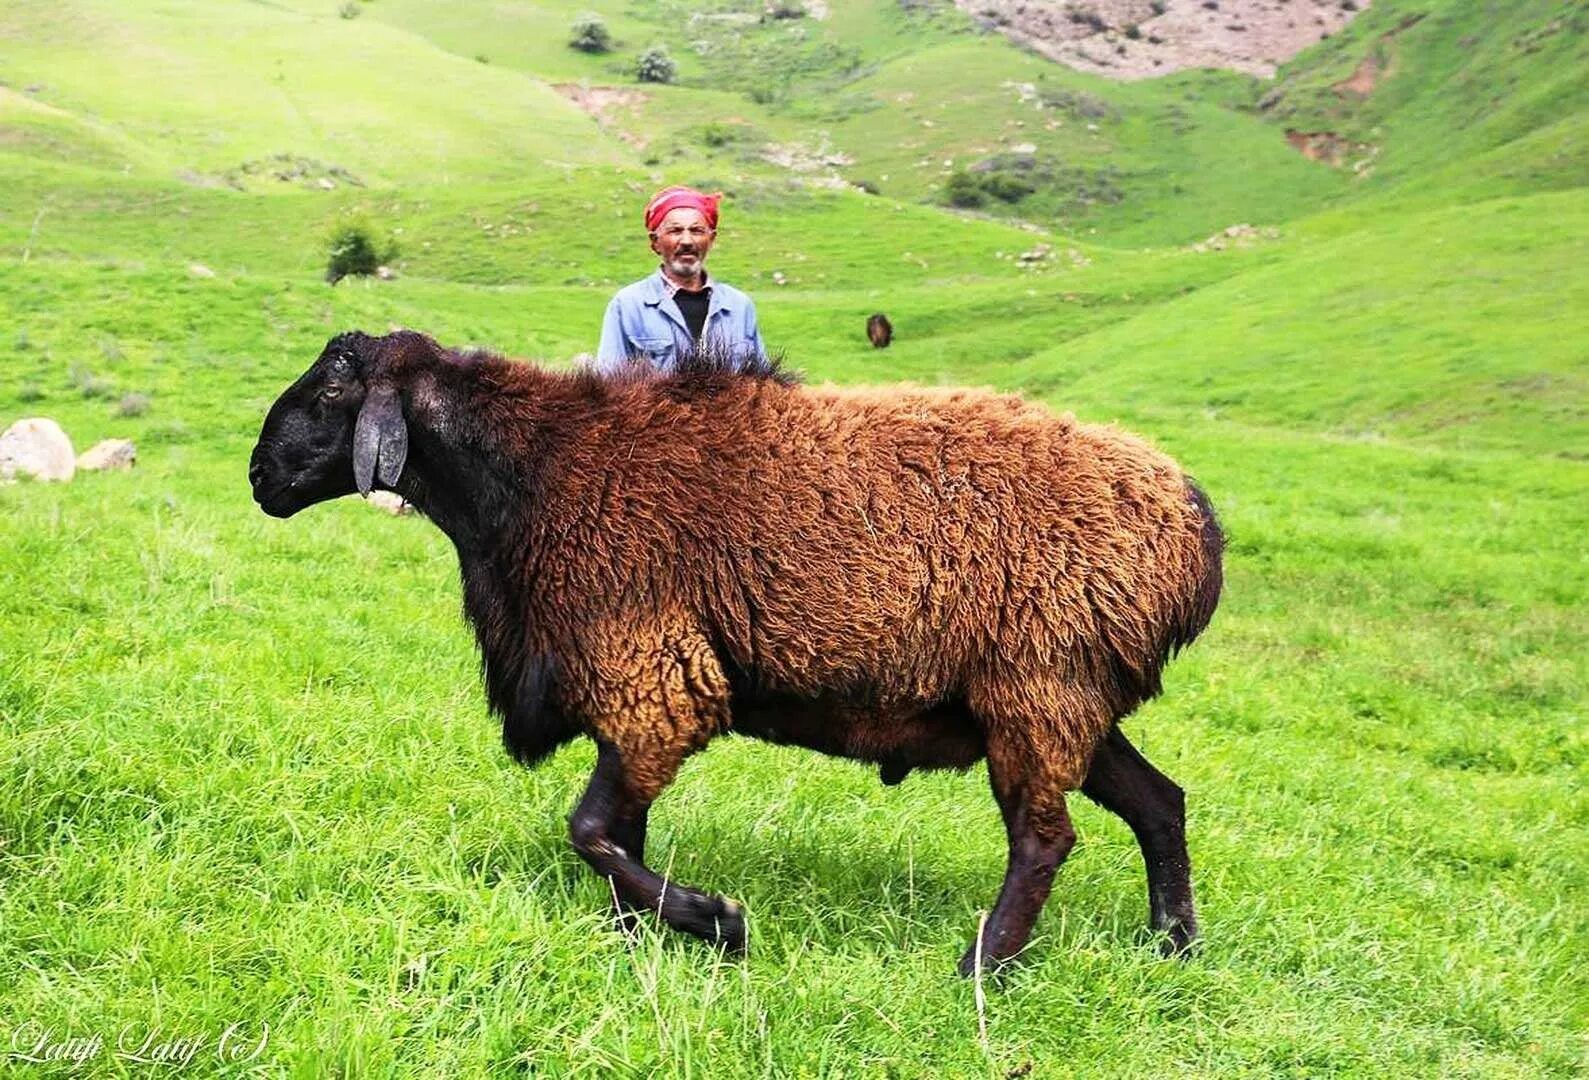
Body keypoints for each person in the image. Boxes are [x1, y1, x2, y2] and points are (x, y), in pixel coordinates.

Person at [594, 185, 766, 373]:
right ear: (655, 243)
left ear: (711, 239)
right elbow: (607, 386)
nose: (686, 241)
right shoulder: (628, 306)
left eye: (697, 231)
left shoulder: (739, 307)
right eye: (675, 231)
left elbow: (765, 385)